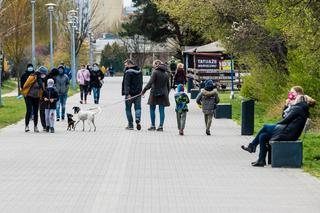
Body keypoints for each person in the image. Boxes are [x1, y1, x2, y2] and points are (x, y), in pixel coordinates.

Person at [241, 86, 316, 167]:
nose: (290, 95)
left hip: (288, 133)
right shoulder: (300, 107)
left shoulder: (298, 108)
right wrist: (287, 106)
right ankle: (261, 160)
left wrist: (276, 125)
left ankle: (252, 146)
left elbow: (285, 120)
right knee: (263, 136)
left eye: (292, 93)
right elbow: (285, 116)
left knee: (266, 127)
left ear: (298, 96)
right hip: (289, 132)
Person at [141, 60, 170, 131]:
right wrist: (167, 94)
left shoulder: (155, 72)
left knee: (152, 109)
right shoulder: (166, 73)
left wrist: (143, 91)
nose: (153, 66)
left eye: (153, 65)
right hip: (163, 93)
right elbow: (168, 86)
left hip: (154, 93)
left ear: (156, 64)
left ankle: (153, 125)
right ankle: (160, 126)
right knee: (162, 110)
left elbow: (150, 83)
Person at [21, 66, 44, 132]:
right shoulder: (32, 77)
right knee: (29, 111)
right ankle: (27, 126)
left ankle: (35, 127)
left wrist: (41, 97)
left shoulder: (41, 80)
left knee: (36, 112)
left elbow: (42, 89)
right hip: (29, 96)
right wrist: (24, 93)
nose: (43, 76)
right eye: (42, 74)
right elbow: (25, 85)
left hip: (36, 97)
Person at [121, 59, 143, 130]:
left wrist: (127, 94)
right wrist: (140, 91)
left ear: (129, 64)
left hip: (130, 94)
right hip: (138, 94)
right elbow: (141, 82)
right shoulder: (139, 71)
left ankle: (130, 125)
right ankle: (137, 118)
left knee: (128, 109)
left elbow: (126, 84)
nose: (125, 66)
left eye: (126, 65)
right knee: (138, 108)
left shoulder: (128, 72)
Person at [38, 66, 49, 132]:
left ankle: (48, 125)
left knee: (47, 113)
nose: (43, 75)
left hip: (47, 98)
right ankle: (44, 126)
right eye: (42, 74)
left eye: (44, 74)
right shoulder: (36, 79)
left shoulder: (47, 79)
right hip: (40, 98)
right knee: (42, 112)